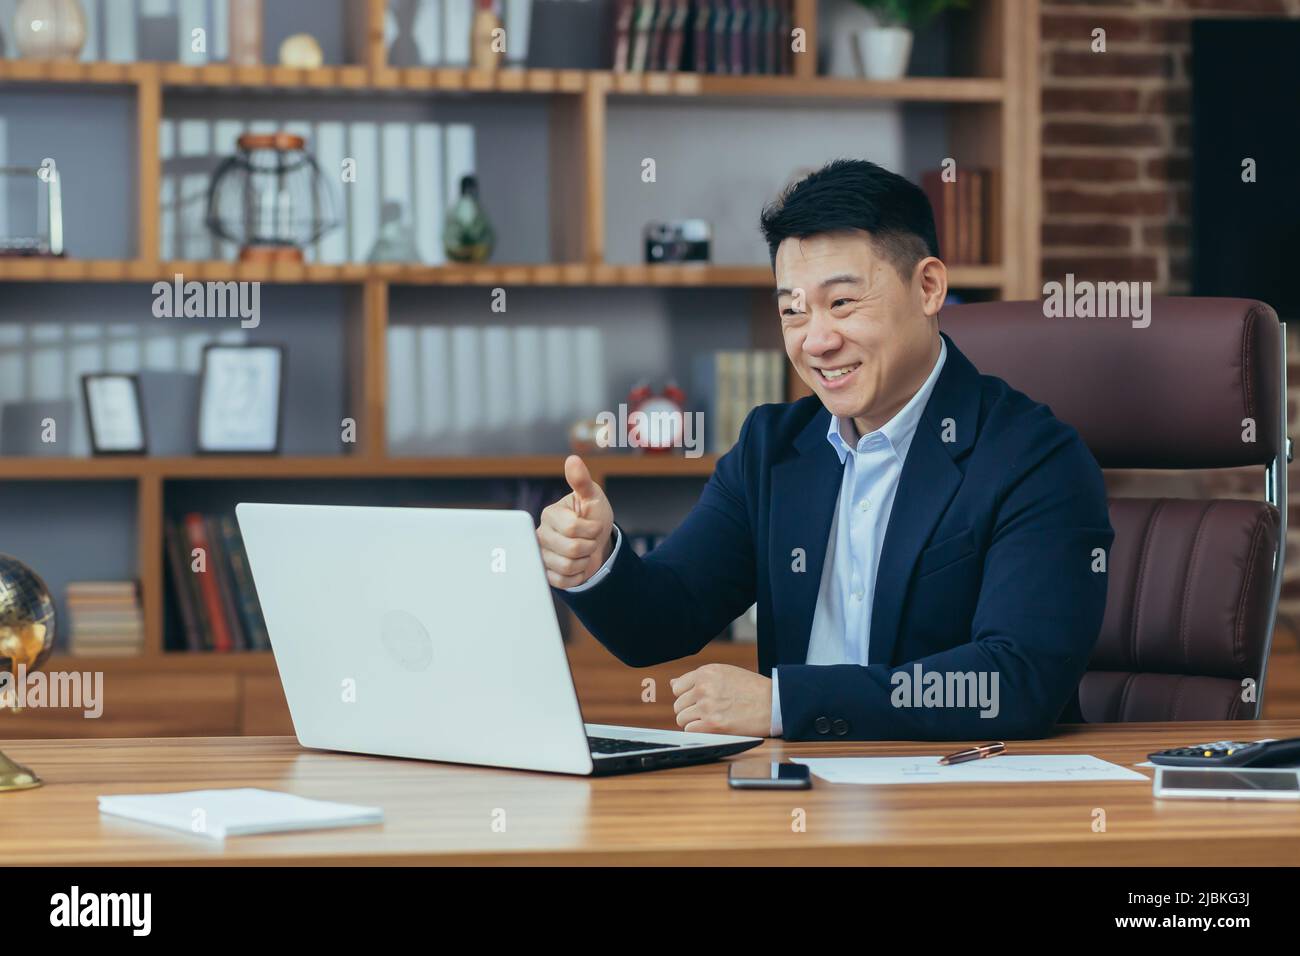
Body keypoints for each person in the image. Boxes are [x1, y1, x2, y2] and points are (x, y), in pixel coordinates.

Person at [535, 159, 1113, 741]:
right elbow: (662, 620)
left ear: (929, 287)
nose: (817, 340)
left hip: (956, 802)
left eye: (842, 304)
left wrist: (787, 704)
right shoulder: (773, 449)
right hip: (796, 802)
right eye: (792, 310)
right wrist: (594, 562)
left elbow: (1013, 680)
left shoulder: (1034, 458)